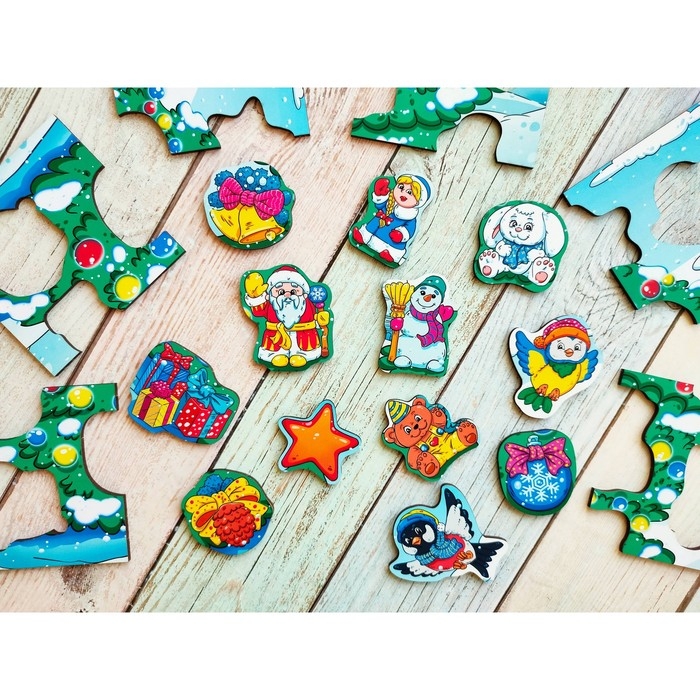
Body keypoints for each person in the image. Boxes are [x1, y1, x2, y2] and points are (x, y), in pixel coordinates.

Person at [243, 266, 330, 368]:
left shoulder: (307, 304)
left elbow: (314, 317)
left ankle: (303, 355)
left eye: (293, 292)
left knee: (305, 350)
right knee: (276, 352)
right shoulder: (270, 304)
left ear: (304, 294)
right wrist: (255, 296)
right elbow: (257, 312)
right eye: (281, 292)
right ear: (270, 295)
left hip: (304, 335)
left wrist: (320, 320)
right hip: (276, 334)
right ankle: (275, 355)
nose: (287, 295)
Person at [352, 174, 432, 265]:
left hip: (391, 240)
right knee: (373, 223)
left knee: (391, 246)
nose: (403, 193)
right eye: (401, 187)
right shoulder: (390, 202)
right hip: (376, 228)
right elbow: (378, 205)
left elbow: (410, 230)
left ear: (418, 201)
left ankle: (390, 254)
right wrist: (380, 194)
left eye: (410, 192)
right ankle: (363, 236)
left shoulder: (410, 216)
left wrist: (401, 234)